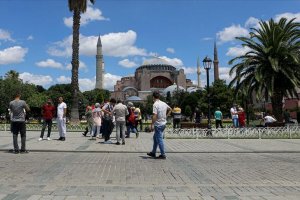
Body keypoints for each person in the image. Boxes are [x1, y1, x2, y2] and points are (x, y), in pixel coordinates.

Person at [147, 91, 172, 159]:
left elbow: (154, 115)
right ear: (159, 97)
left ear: (153, 97)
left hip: (158, 124)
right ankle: (153, 152)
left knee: (159, 139)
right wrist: (166, 116)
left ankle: (163, 154)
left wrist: (151, 124)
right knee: (155, 138)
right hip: (163, 123)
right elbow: (170, 109)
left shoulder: (155, 104)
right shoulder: (164, 103)